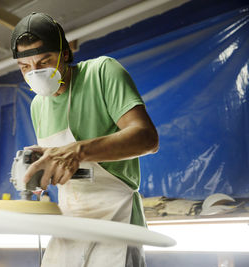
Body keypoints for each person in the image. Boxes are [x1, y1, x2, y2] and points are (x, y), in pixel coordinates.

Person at [11, 12, 159, 267]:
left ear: (65, 53)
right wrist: (43, 168)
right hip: (70, 224)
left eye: (44, 61)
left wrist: (76, 151)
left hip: (116, 219)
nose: (35, 73)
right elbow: (71, 171)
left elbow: (147, 139)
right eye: (26, 67)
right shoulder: (37, 105)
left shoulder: (101, 73)